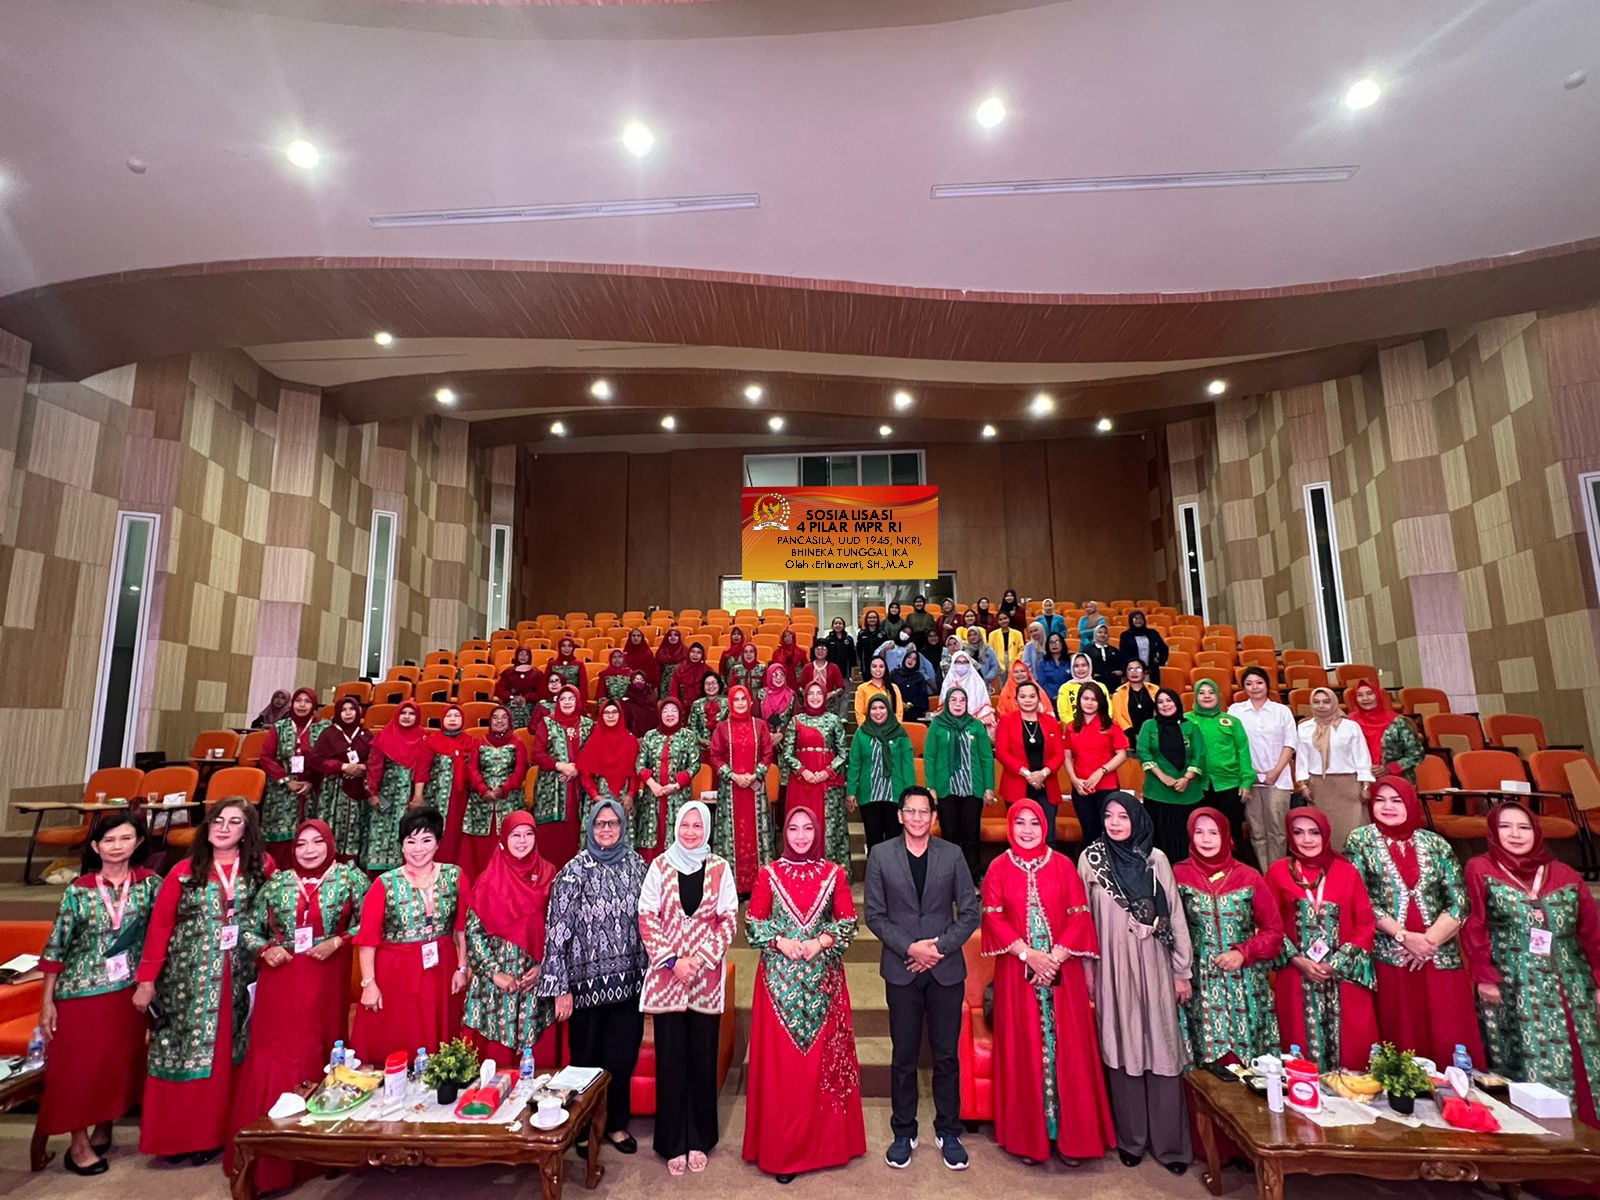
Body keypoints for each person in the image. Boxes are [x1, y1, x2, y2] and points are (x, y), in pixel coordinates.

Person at [225, 819, 367, 1190]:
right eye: (301, 843)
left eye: (317, 842)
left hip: (325, 977)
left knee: (319, 1052)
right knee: (275, 1056)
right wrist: (266, 949)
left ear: (330, 844)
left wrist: (338, 941)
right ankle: (270, 1159)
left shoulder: (349, 879)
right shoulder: (277, 883)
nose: (309, 850)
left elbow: (370, 920)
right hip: (282, 978)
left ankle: (321, 1155)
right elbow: (248, 927)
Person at [134, 798, 272, 1164]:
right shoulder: (183, 870)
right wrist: (146, 980)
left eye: (235, 822)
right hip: (188, 980)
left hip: (239, 976)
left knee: (227, 1055)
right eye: (218, 820)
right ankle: (175, 1139)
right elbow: (161, 927)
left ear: (247, 831)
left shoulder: (261, 869)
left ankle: (213, 1136)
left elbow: (275, 915)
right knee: (183, 1055)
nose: (224, 827)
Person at [980, 798, 1113, 1166]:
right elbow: (993, 918)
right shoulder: (997, 868)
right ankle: (1031, 1137)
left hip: (1063, 972)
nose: (1026, 830)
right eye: (1019, 822)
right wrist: (1029, 955)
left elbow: (1079, 915)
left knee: (1067, 1049)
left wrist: (1054, 958)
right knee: (1024, 1048)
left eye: (1034, 823)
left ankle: (1073, 1137)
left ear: (1044, 826)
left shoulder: (1063, 865)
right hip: (1016, 974)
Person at [744, 805, 866, 1182]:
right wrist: (780, 942)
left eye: (807, 829)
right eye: (793, 829)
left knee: (820, 1070)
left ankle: (827, 1147)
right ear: (785, 833)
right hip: (778, 985)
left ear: (817, 832)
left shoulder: (834, 873)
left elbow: (848, 921)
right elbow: (753, 922)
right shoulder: (769, 873)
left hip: (823, 983)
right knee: (785, 1074)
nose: (800, 836)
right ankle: (784, 1153)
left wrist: (820, 942)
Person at [1462, 802, 1600, 1128]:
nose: (1515, 834)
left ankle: (1588, 1144)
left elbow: (1591, 932)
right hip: (1513, 984)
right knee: (1523, 1063)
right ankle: (1536, 1150)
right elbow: (1475, 926)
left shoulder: (1564, 873)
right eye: (1506, 827)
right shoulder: (1481, 868)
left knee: (1584, 1061)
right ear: (1493, 833)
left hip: (1571, 983)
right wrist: (1484, 977)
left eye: (1523, 827)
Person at [863, 786, 980, 1171]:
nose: (916, 818)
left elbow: (969, 913)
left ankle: (948, 1130)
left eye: (923, 812)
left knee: (947, 1055)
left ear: (933, 816)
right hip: (901, 967)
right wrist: (912, 948)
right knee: (904, 1055)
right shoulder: (881, 855)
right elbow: (875, 915)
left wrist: (938, 949)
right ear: (899, 815)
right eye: (910, 812)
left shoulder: (952, 854)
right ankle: (904, 1130)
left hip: (945, 969)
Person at [37, 813, 159, 1176]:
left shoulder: (150, 884)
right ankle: (78, 1143)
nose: (117, 846)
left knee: (117, 1064)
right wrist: (47, 1002)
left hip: (128, 992)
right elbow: (56, 946)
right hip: (80, 994)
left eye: (125, 838)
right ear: (95, 846)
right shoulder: (79, 889)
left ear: (137, 843)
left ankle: (104, 1124)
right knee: (80, 1070)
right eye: (109, 840)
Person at [1078, 793, 1194, 1174]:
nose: (1114, 822)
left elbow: (1174, 914)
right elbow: (1082, 920)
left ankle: (1170, 1145)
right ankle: (1131, 1139)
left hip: (1155, 965)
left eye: (1123, 816)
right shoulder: (1091, 859)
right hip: (1111, 967)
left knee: (1161, 1043)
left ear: (1138, 820)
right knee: (1121, 1041)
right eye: (1108, 816)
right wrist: (1089, 971)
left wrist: (1182, 970)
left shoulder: (1155, 859)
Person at [1343, 774, 1483, 1070]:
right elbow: (1360, 897)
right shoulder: (1360, 840)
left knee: (1447, 1037)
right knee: (1400, 1038)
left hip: (1438, 954)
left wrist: (1428, 942)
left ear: (1410, 802)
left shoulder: (1436, 843)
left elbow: (1460, 901)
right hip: (1390, 953)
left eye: (1396, 800)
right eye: (1380, 800)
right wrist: (1404, 937)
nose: (1387, 807)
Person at [539, 799, 650, 1155]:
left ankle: (615, 1125)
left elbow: (650, 921)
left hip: (629, 984)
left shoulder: (637, 865)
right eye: (600, 824)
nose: (606, 830)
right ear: (590, 827)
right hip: (584, 989)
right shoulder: (574, 870)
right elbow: (557, 931)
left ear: (622, 827)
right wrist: (559, 988)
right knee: (586, 1060)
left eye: (612, 824)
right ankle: (585, 1128)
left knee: (621, 1059)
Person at [638, 802, 739, 1175]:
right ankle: (670, 1141)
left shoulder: (719, 867)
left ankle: (699, 1138)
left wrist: (699, 960)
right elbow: (647, 917)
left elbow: (729, 918)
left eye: (698, 825)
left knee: (701, 1060)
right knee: (671, 1062)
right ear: (676, 827)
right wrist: (671, 961)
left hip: (705, 980)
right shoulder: (660, 866)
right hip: (668, 980)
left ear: (707, 828)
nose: (692, 832)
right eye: (686, 825)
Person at [351, 807, 469, 1064]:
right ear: (401, 846)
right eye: (410, 841)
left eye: (426, 840)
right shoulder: (384, 883)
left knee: (442, 1042)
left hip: (443, 967)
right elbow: (367, 940)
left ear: (438, 843)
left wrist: (462, 967)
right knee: (400, 1039)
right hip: (396, 972)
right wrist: (368, 983)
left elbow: (461, 927)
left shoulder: (455, 876)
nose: (418, 848)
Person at [1265, 808, 1379, 1071]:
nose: (1307, 840)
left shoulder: (1346, 871)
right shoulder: (1278, 872)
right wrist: (1296, 959)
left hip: (1343, 976)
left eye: (1314, 832)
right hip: (1296, 975)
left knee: (1352, 1052)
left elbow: (1365, 923)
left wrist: (1336, 962)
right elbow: (1267, 922)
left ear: (1325, 834)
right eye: (1298, 832)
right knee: (1299, 1050)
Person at [1172, 809, 1283, 1066]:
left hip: (1245, 986)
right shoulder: (1177, 875)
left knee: (1251, 1066)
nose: (1206, 839)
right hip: (1197, 986)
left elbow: (1274, 931)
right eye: (1199, 832)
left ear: (1225, 835)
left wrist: (1243, 952)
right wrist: (1178, 973)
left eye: (1213, 832)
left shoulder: (1249, 876)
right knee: (1204, 1068)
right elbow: (1169, 931)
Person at [462, 811, 559, 1077]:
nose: (522, 841)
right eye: (515, 835)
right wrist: (495, 974)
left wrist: (545, 968)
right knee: (493, 1075)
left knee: (538, 1075)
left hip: (535, 982)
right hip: (496, 989)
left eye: (528, 834)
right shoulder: (488, 880)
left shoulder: (550, 875)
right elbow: (474, 933)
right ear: (503, 839)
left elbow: (560, 928)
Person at [1228, 666, 1298, 868]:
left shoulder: (1281, 711)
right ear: (1243, 687)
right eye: (1249, 684)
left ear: (1267, 685)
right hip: (1249, 781)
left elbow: (1290, 744)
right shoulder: (1235, 711)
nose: (1254, 687)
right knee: (1257, 832)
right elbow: (1232, 745)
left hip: (1278, 779)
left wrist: (1276, 771)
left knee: (1277, 831)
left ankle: (1278, 873)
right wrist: (1247, 775)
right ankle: (1265, 874)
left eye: (1259, 682)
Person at [924, 687, 996, 880]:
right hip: (946, 789)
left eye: (961, 700)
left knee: (971, 835)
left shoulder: (976, 726)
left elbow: (986, 758)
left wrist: (989, 787)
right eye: (953, 700)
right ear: (947, 703)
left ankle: (971, 878)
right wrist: (931, 788)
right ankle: (949, 878)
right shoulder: (937, 725)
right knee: (950, 835)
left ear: (967, 703)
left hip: (972, 789)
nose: (957, 704)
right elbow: (930, 758)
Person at [710, 684, 774, 895]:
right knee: (732, 835)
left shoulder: (761, 726)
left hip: (755, 789)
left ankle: (760, 886)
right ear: (730, 703)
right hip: (731, 790)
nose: (739, 703)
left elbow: (767, 753)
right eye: (735, 699)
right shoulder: (722, 728)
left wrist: (756, 774)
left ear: (750, 702)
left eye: (743, 699)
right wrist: (733, 776)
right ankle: (732, 887)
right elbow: (715, 756)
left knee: (757, 834)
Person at [1295, 686, 1374, 848]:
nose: (1321, 705)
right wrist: (1302, 784)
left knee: (1353, 832)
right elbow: (1302, 759)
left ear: (1334, 703)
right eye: (1316, 702)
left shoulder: (1350, 726)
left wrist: (1366, 785)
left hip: (1348, 787)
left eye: (1326, 701)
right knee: (1324, 832)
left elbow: (1362, 757)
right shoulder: (1304, 728)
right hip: (1319, 787)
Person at [782, 681, 850, 867]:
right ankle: (800, 866)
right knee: (803, 822)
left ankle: (828, 869)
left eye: (818, 693)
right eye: (810, 693)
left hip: (827, 782)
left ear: (825, 695)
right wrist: (803, 771)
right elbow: (787, 753)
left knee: (827, 825)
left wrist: (827, 772)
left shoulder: (834, 720)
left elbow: (843, 752)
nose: (814, 697)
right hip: (802, 782)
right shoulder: (796, 720)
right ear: (805, 696)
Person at [259, 687, 328, 867]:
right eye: (298, 701)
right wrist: (286, 780)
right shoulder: (280, 727)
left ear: (314, 705)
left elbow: (329, 758)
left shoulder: (323, 728)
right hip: (282, 791)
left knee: (311, 835)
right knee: (282, 841)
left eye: (307, 701)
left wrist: (312, 782)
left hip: (313, 790)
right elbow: (266, 757)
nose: (302, 705)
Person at [1137, 688, 1207, 865]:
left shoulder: (1191, 726)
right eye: (1160, 702)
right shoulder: (1149, 726)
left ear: (1177, 702)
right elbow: (1143, 752)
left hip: (1187, 794)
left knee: (1185, 842)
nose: (1165, 705)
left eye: (1169, 700)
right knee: (1160, 842)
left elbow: (1199, 755)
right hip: (1157, 794)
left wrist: (1186, 778)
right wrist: (1163, 777)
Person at [461, 704, 531, 880]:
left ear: (510, 721)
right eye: (495, 717)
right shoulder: (479, 742)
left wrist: (503, 789)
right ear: (490, 722)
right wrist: (483, 789)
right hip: (481, 802)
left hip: (508, 801)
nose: (499, 721)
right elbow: (472, 769)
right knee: (479, 849)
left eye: (504, 717)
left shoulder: (518, 743)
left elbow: (520, 771)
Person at [1185, 678, 1254, 855]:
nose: (1206, 696)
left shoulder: (1231, 721)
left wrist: (1246, 781)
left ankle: (1235, 873)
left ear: (1218, 696)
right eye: (1201, 693)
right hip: (1197, 786)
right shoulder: (1186, 720)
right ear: (1195, 697)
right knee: (1200, 831)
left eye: (1211, 692)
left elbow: (1243, 751)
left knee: (1232, 832)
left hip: (1229, 785)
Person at [994, 681, 1066, 849]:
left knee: (1048, 837)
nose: (1028, 700)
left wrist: (1043, 773)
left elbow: (1059, 754)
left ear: (1039, 699)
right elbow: (1002, 753)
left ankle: (1049, 875)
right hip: (1017, 785)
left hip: (1047, 786)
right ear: (1016, 700)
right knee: (1019, 838)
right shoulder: (1006, 721)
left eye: (1032, 696)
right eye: (1023, 696)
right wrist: (1028, 774)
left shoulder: (1050, 721)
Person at [363, 699, 429, 875]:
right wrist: (373, 793)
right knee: (380, 834)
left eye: (411, 713)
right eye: (403, 713)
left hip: (409, 795)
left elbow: (423, 769)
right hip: (386, 794)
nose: (407, 717)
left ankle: (405, 874)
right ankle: (377, 877)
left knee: (407, 832)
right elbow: (374, 767)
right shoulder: (385, 736)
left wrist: (418, 797)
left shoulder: (423, 738)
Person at [1061, 682, 1130, 846]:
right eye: (1085, 698)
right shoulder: (1071, 727)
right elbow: (1067, 755)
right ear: (1079, 700)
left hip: (1107, 786)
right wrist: (1074, 779)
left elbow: (1122, 755)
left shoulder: (1111, 726)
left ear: (1101, 702)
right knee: (1088, 832)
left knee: (1108, 832)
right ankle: (1089, 869)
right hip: (1081, 787)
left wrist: (1102, 771)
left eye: (1094, 699)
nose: (1089, 702)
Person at [530, 685, 592, 867]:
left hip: (580, 787)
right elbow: (537, 754)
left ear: (578, 701)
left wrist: (576, 769)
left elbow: (594, 751)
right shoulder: (547, 722)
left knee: (574, 837)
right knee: (551, 841)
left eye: (571, 698)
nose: (566, 702)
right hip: (551, 789)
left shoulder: (587, 724)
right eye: (563, 698)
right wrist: (560, 766)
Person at [633, 697, 701, 859]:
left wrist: (676, 784)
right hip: (652, 797)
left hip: (678, 796)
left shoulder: (688, 736)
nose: (669, 714)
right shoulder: (650, 736)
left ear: (680, 713)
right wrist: (652, 784)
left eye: (674, 710)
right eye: (665, 710)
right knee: (651, 840)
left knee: (677, 837)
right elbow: (640, 765)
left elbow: (695, 764)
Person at [847, 696, 917, 853]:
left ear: (888, 710)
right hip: (869, 796)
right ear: (868, 711)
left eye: (882, 708)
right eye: (874, 708)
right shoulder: (861, 733)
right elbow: (854, 763)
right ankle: (875, 876)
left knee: (895, 841)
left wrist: (910, 794)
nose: (878, 712)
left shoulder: (900, 733)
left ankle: (894, 877)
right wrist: (851, 791)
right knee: (873, 841)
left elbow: (907, 765)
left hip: (895, 795)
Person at [311, 695, 371, 862]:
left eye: (352, 709)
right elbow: (316, 760)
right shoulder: (329, 734)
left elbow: (374, 758)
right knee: (333, 829)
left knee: (355, 829)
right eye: (343, 710)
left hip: (359, 790)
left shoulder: (365, 734)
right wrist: (343, 766)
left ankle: (352, 867)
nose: (348, 713)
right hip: (334, 791)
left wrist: (362, 767)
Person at [424, 702, 477, 864]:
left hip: (463, 796)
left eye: (457, 716)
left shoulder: (471, 742)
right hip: (436, 796)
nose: (452, 719)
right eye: (449, 716)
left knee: (457, 833)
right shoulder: (432, 741)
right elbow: (423, 770)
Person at [577, 698, 641, 832]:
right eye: (606, 713)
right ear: (601, 716)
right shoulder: (594, 741)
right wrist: (595, 796)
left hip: (623, 798)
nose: (610, 716)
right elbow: (586, 774)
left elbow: (635, 773)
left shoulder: (630, 741)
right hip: (599, 796)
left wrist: (630, 795)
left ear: (620, 715)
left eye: (614, 712)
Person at [1347, 679, 1426, 783]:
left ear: (1377, 695)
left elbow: (1416, 754)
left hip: (1396, 781)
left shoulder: (1398, 722)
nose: (1365, 698)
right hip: (1358, 782)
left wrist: (1389, 768)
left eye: (1370, 694)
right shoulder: (1349, 722)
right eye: (1360, 695)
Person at [939, 649, 995, 733]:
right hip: (951, 724)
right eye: (958, 662)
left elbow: (985, 706)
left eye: (965, 662)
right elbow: (943, 707)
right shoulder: (947, 682)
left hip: (975, 723)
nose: (962, 665)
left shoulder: (978, 683)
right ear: (953, 664)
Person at [1110, 658, 1159, 740]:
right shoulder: (1119, 692)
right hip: (1129, 736)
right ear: (1126, 673)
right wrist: (1130, 733)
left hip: (1153, 734)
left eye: (1138, 669)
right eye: (1130, 669)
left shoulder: (1155, 689)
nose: (1134, 672)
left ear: (1144, 672)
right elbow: (1118, 717)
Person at [496, 647, 544, 729]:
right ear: (516, 656)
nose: (523, 657)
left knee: (525, 711)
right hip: (511, 701)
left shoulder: (537, 674)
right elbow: (499, 690)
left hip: (530, 703)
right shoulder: (508, 673)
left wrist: (526, 698)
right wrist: (512, 697)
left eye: (526, 654)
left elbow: (541, 692)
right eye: (521, 654)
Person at [1053, 653, 1108, 725]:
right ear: (1072, 668)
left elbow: (1108, 711)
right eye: (1076, 666)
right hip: (1073, 728)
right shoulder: (1065, 688)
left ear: (1089, 666)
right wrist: (1077, 726)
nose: (1080, 669)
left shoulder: (1101, 686)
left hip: (1099, 727)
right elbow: (1063, 714)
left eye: (1084, 665)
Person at [1118, 611, 1169, 686]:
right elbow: (1123, 654)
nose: (1138, 621)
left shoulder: (1152, 633)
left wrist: (1160, 660)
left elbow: (1163, 648)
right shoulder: (1126, 635)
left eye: (1140, 618)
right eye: (1135, 618)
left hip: (1151, 670)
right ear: (1131, 620)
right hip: (1134, 671)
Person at [854, 654, 904, 726]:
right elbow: (860, 714)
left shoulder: (894, 688)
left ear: (885, 668)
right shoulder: (862, 689)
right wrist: (868, 731)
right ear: (870, 668)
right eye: (874, 666)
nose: (878, 669)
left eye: (881, 666)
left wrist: (894, 729)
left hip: (890, 730)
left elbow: (899, 712)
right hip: (869, 730)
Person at [689, 671, 727, 759]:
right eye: (707, 684)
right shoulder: (697, 704)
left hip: (723, 748)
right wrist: (700, 740)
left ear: (719, 685)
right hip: (701, 748)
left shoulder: (728, 703)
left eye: (713, 683)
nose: (710, 686)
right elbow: (692, 727)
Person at [760, 662, 798, 745]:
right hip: (763, 738)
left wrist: (781, 734)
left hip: (787, 740)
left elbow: (796, 719)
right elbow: (756, 717)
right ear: (769, 676)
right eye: (775, 674)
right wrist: (766, 734)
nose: (779, 677)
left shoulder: (792, 695)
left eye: (782, 674)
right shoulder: (761, 694)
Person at [670, 641, 714, 709]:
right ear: (689, 653)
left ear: (702, 656)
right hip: (682, 706)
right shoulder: (680, 669)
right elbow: (674, 689)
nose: (695, 655)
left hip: (702, 707)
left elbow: (712, 690)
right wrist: (676, 704)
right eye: (693, 652)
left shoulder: (707, 670)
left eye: (698, 652)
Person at [893, 649, 933, 721]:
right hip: (895, 711)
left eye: (914, 659)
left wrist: (911, 704)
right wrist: (900, 703)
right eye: (909, 657)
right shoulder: (895, 674)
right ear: (905, 658)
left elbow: (923, 700)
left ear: (917, 663)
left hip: (913, 712)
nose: (910, 660)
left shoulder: (919, 677)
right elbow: (889, 693)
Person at [1035, 634, 1073, 700]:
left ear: (1062, 643)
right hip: (1050, 698)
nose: (1054, 644)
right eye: (1051, 642)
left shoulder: (1070, 661)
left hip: (1069, 696)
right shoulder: (1043, 663)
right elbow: (1042, 683)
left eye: (1057, 641)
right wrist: (1053, 696)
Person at [655, 627, 689, 700]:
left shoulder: (685, 651)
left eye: (675, 635)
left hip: (682, 683)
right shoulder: (661, 652)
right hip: (665, 684)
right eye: (670, 635)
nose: (673, 637)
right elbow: (657, 671)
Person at [622, 626, 660, 691]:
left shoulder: (648, 653)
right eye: (633, 636)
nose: (636, 638)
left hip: (645, 686)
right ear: (630, 638)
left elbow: (652, 672)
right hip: (628, 686)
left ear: (642, 638)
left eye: (638, 636)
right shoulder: (625, 653)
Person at [988, 609, 1024, 675]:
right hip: (999, 662)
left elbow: (1021, 649)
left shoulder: (1018, 634)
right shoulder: (992, 635)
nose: (1003, 621)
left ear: (1009, 619)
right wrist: (996, 662)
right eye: (1000, 619)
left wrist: (1016, 660)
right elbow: (990, 650)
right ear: (998, 621)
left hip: (1014, 661)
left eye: (1005, 618)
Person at [1083, 621, 1120, 686]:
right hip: (1094, 681)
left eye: (1105, 633)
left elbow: (1120, 664)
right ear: (1095, 634)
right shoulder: (1088, 649)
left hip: (1112, 682)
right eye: (1100, 632)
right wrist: (1092, 674)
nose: (1103, 635)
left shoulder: (1114, 650)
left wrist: (1119, 672)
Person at [856, 609, 888, 678]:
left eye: (874, 617)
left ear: (877, 619)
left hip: (880, 664)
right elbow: (859, 649)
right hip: (866, 664)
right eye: (870, 618)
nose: (872, 619)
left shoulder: (882, 633)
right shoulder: (862, 633)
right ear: (866, 620)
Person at [822, 616, 856, 680]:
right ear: (832, 626)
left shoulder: (849, 639)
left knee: (845, 688)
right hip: (831, 669)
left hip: (846, 670)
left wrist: (852, 670)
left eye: (840, 623)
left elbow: (852, 656)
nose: (838, 625)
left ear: (843, 626)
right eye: (835, 623)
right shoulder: (828, 639)